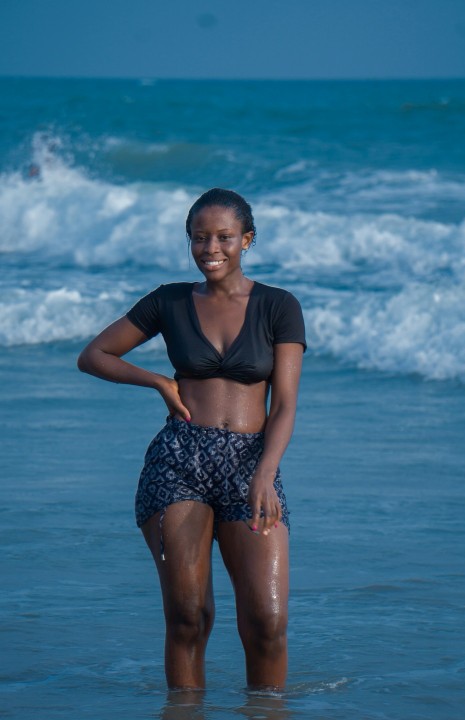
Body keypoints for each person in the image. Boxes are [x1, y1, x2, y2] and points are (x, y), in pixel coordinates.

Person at [77, 188, 306, 691]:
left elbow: (285, 404)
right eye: (199, 237)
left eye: (224, 237)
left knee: (267, 624)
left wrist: (265, 472)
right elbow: (94, 355)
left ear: (247, 240)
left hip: (251, 463)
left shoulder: (278, 306)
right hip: (179, 460)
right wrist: (158, 381)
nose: (211, 248)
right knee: (188, 616)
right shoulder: (170, 301)